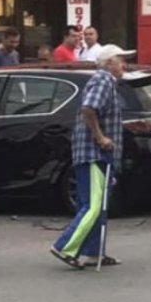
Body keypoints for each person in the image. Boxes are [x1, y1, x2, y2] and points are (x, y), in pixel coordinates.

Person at [50, 44, 134, 270]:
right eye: (120, 59)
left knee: (98, 205)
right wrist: (100, 137)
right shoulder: (103, 80)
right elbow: (89, 108)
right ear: (108, 63)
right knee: (93, 205)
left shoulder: (105, 82)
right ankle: (65, 246)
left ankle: (92, 252)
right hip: (94, 153)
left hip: (95, 153)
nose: (124, 64)